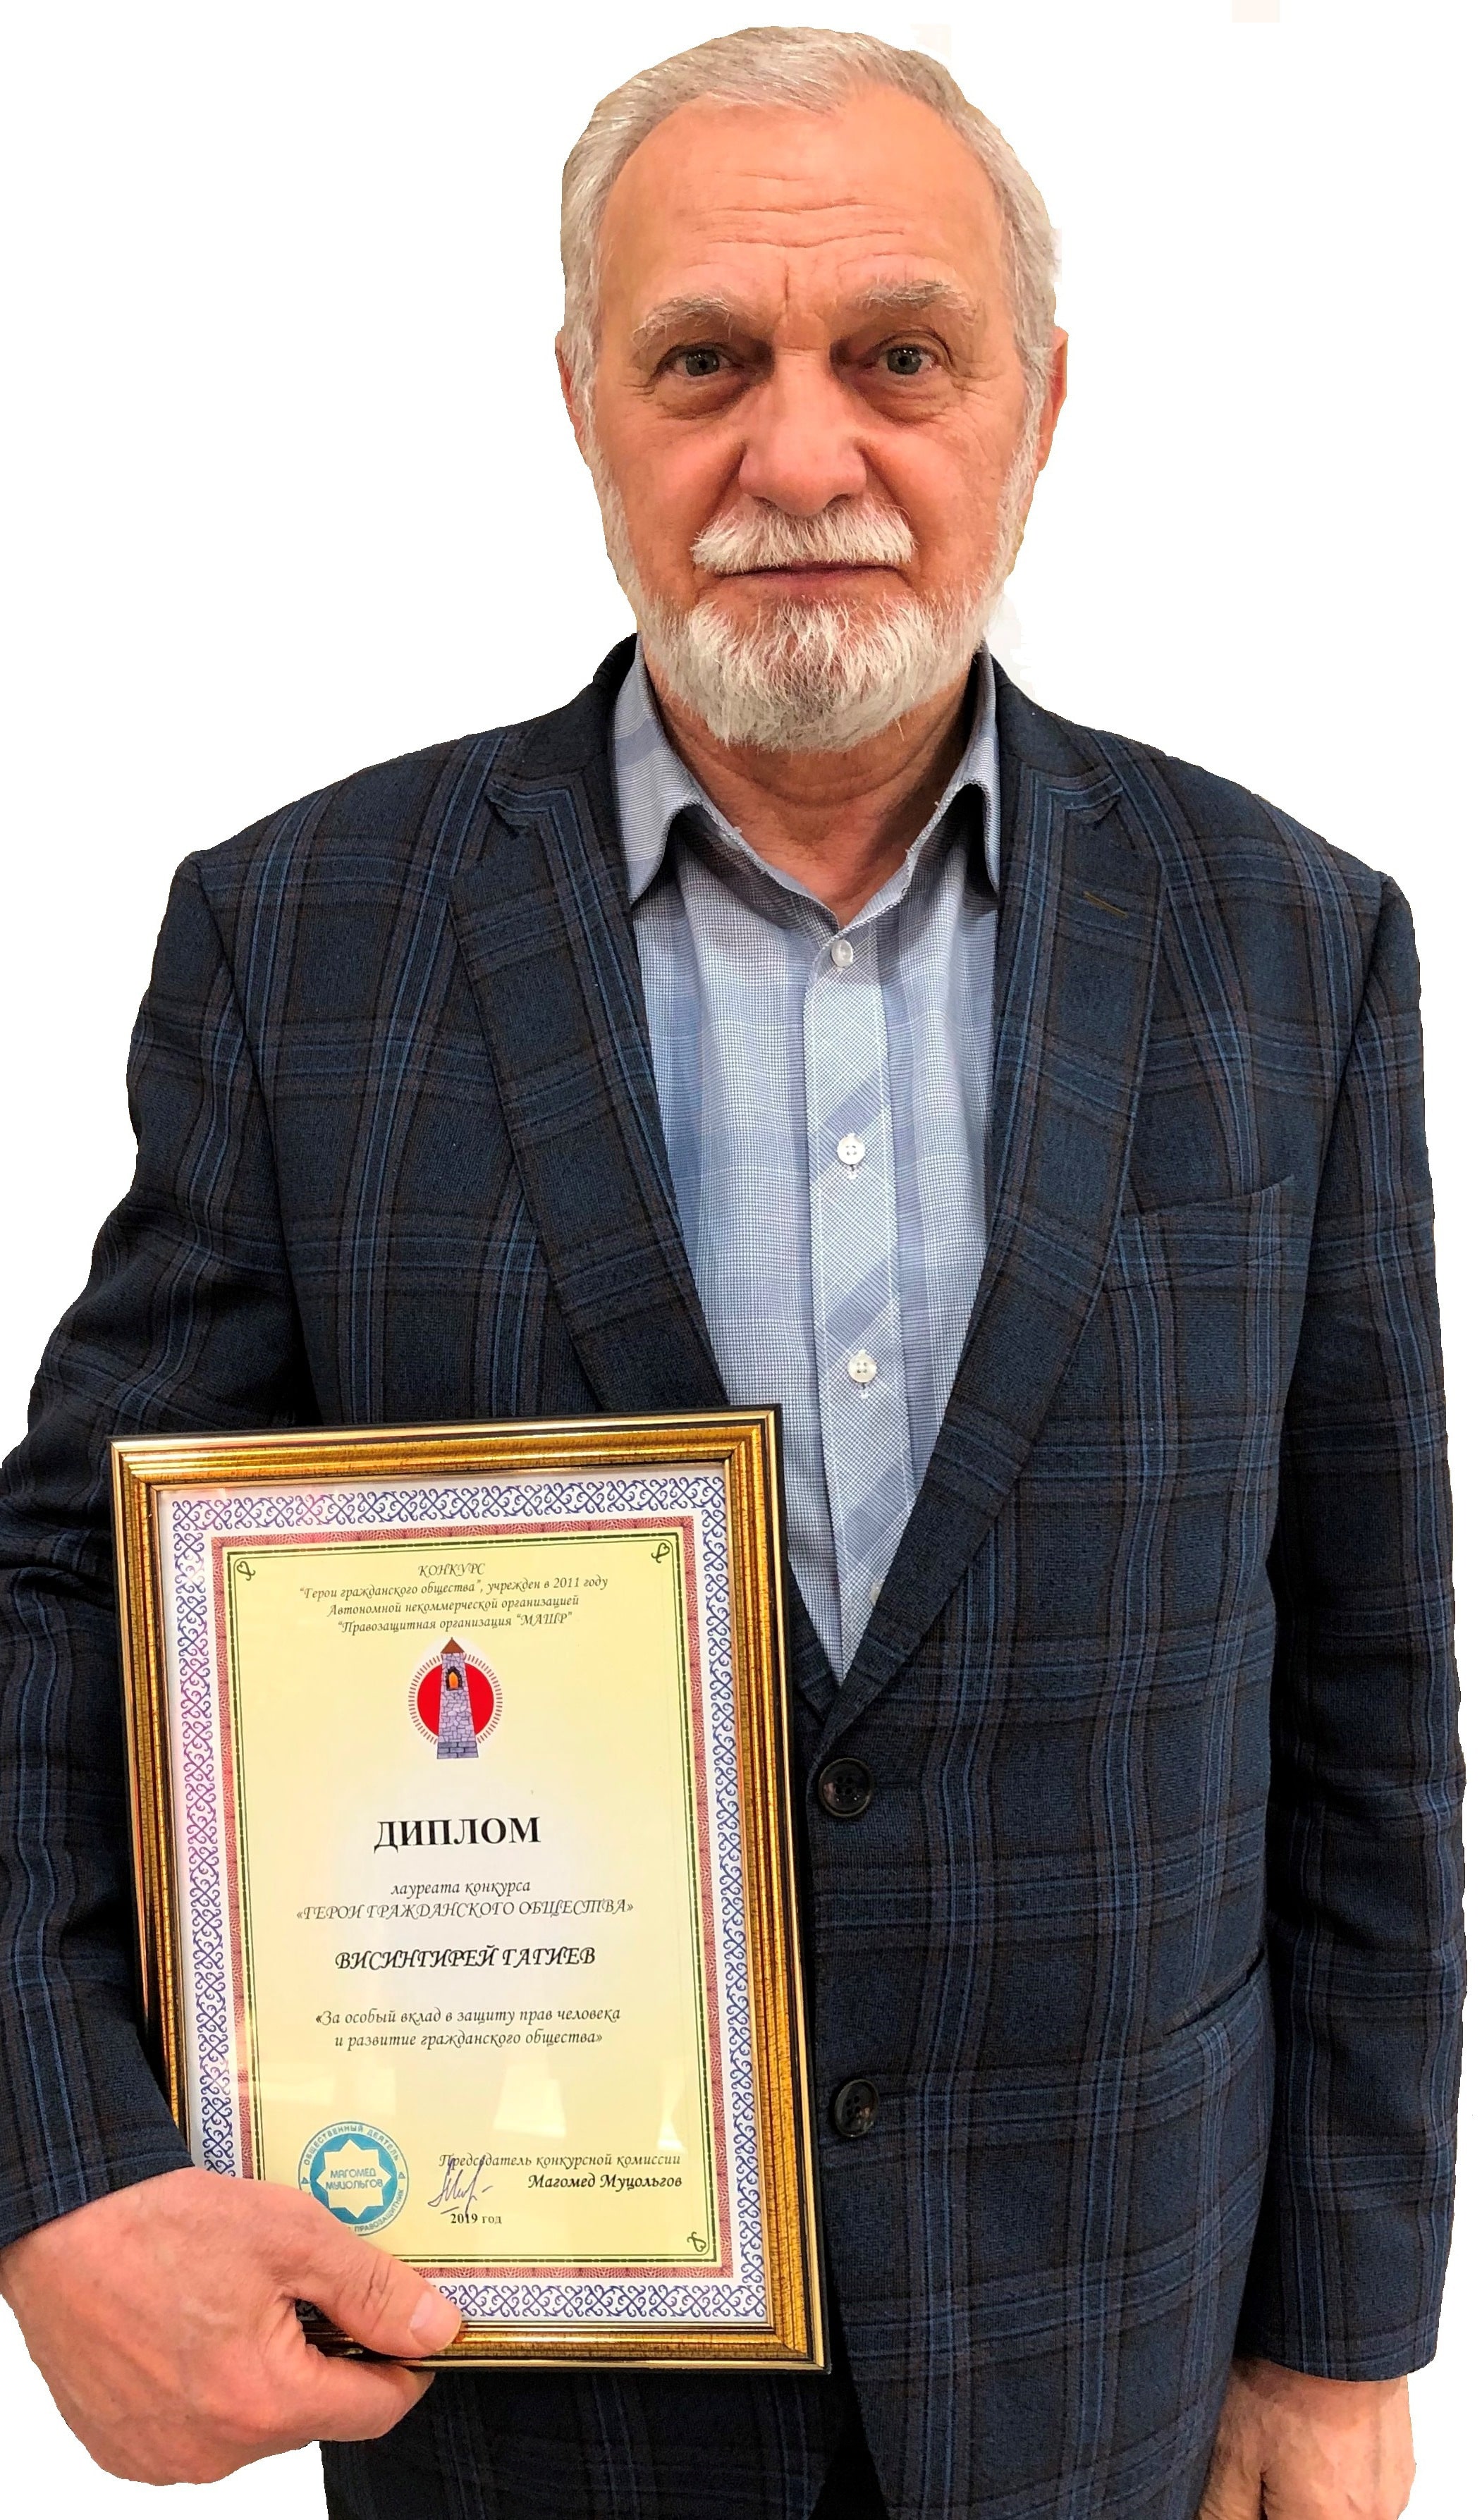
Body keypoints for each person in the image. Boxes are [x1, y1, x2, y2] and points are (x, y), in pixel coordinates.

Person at [0, 26, 1461, 2520]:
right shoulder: (304, 942)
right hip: (518, 2404)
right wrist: (60, 2175)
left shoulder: (1288, 946)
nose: (802, 459)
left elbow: (1366, 1687)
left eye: (900, 356)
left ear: (1040, 405)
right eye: (705, 364)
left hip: (1107, 2367)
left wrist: (1341, 2338)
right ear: (583, 404)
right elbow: (64, 1606)